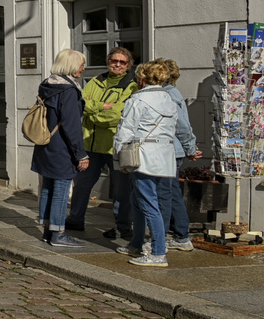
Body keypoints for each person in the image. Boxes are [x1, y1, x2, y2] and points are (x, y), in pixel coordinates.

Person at [112, 59, 181, 266]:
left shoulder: (137, 100)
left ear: (142, 79)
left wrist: (119, 158)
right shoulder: (170, 99)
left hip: (142, 154)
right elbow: (175, 126)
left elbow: (125, 130)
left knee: (149, 203)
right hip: (165, 155)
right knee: (139, 199)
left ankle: (159, 252)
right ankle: (136, 242)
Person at [67, 46, 138, 238]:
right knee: (81, 185)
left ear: (128, 66)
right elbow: (80, 103)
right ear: (108, 61)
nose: (117, 64)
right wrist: (101, 107)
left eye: (122, 62)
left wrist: (93, 115)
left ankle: (123, 226)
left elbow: (118, 116)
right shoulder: (97, 80)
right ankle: (75, 220)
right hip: (90, 144)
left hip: (115, 145)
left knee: (122, 189)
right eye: (114, 60)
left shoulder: (131, 85)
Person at [31, 49, 90, 249]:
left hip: (45, 144)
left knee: (47, 187)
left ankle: (48, 230)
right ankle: (58, 233)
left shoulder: (47, 85)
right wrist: (80, 154)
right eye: (82, 64)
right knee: (61, 190)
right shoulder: (69, 90)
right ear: (73, 66)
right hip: (62, 148)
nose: (84, 68)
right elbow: (72, 126)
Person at [151, 58, 201, 251]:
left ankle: (181, 235)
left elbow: (181, 125)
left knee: (169, 193)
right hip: (174, 149)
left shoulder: (168, 95)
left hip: (172, 150)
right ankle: (179, 233)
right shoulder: (171, 93)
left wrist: (190, 147)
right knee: (170, 192)